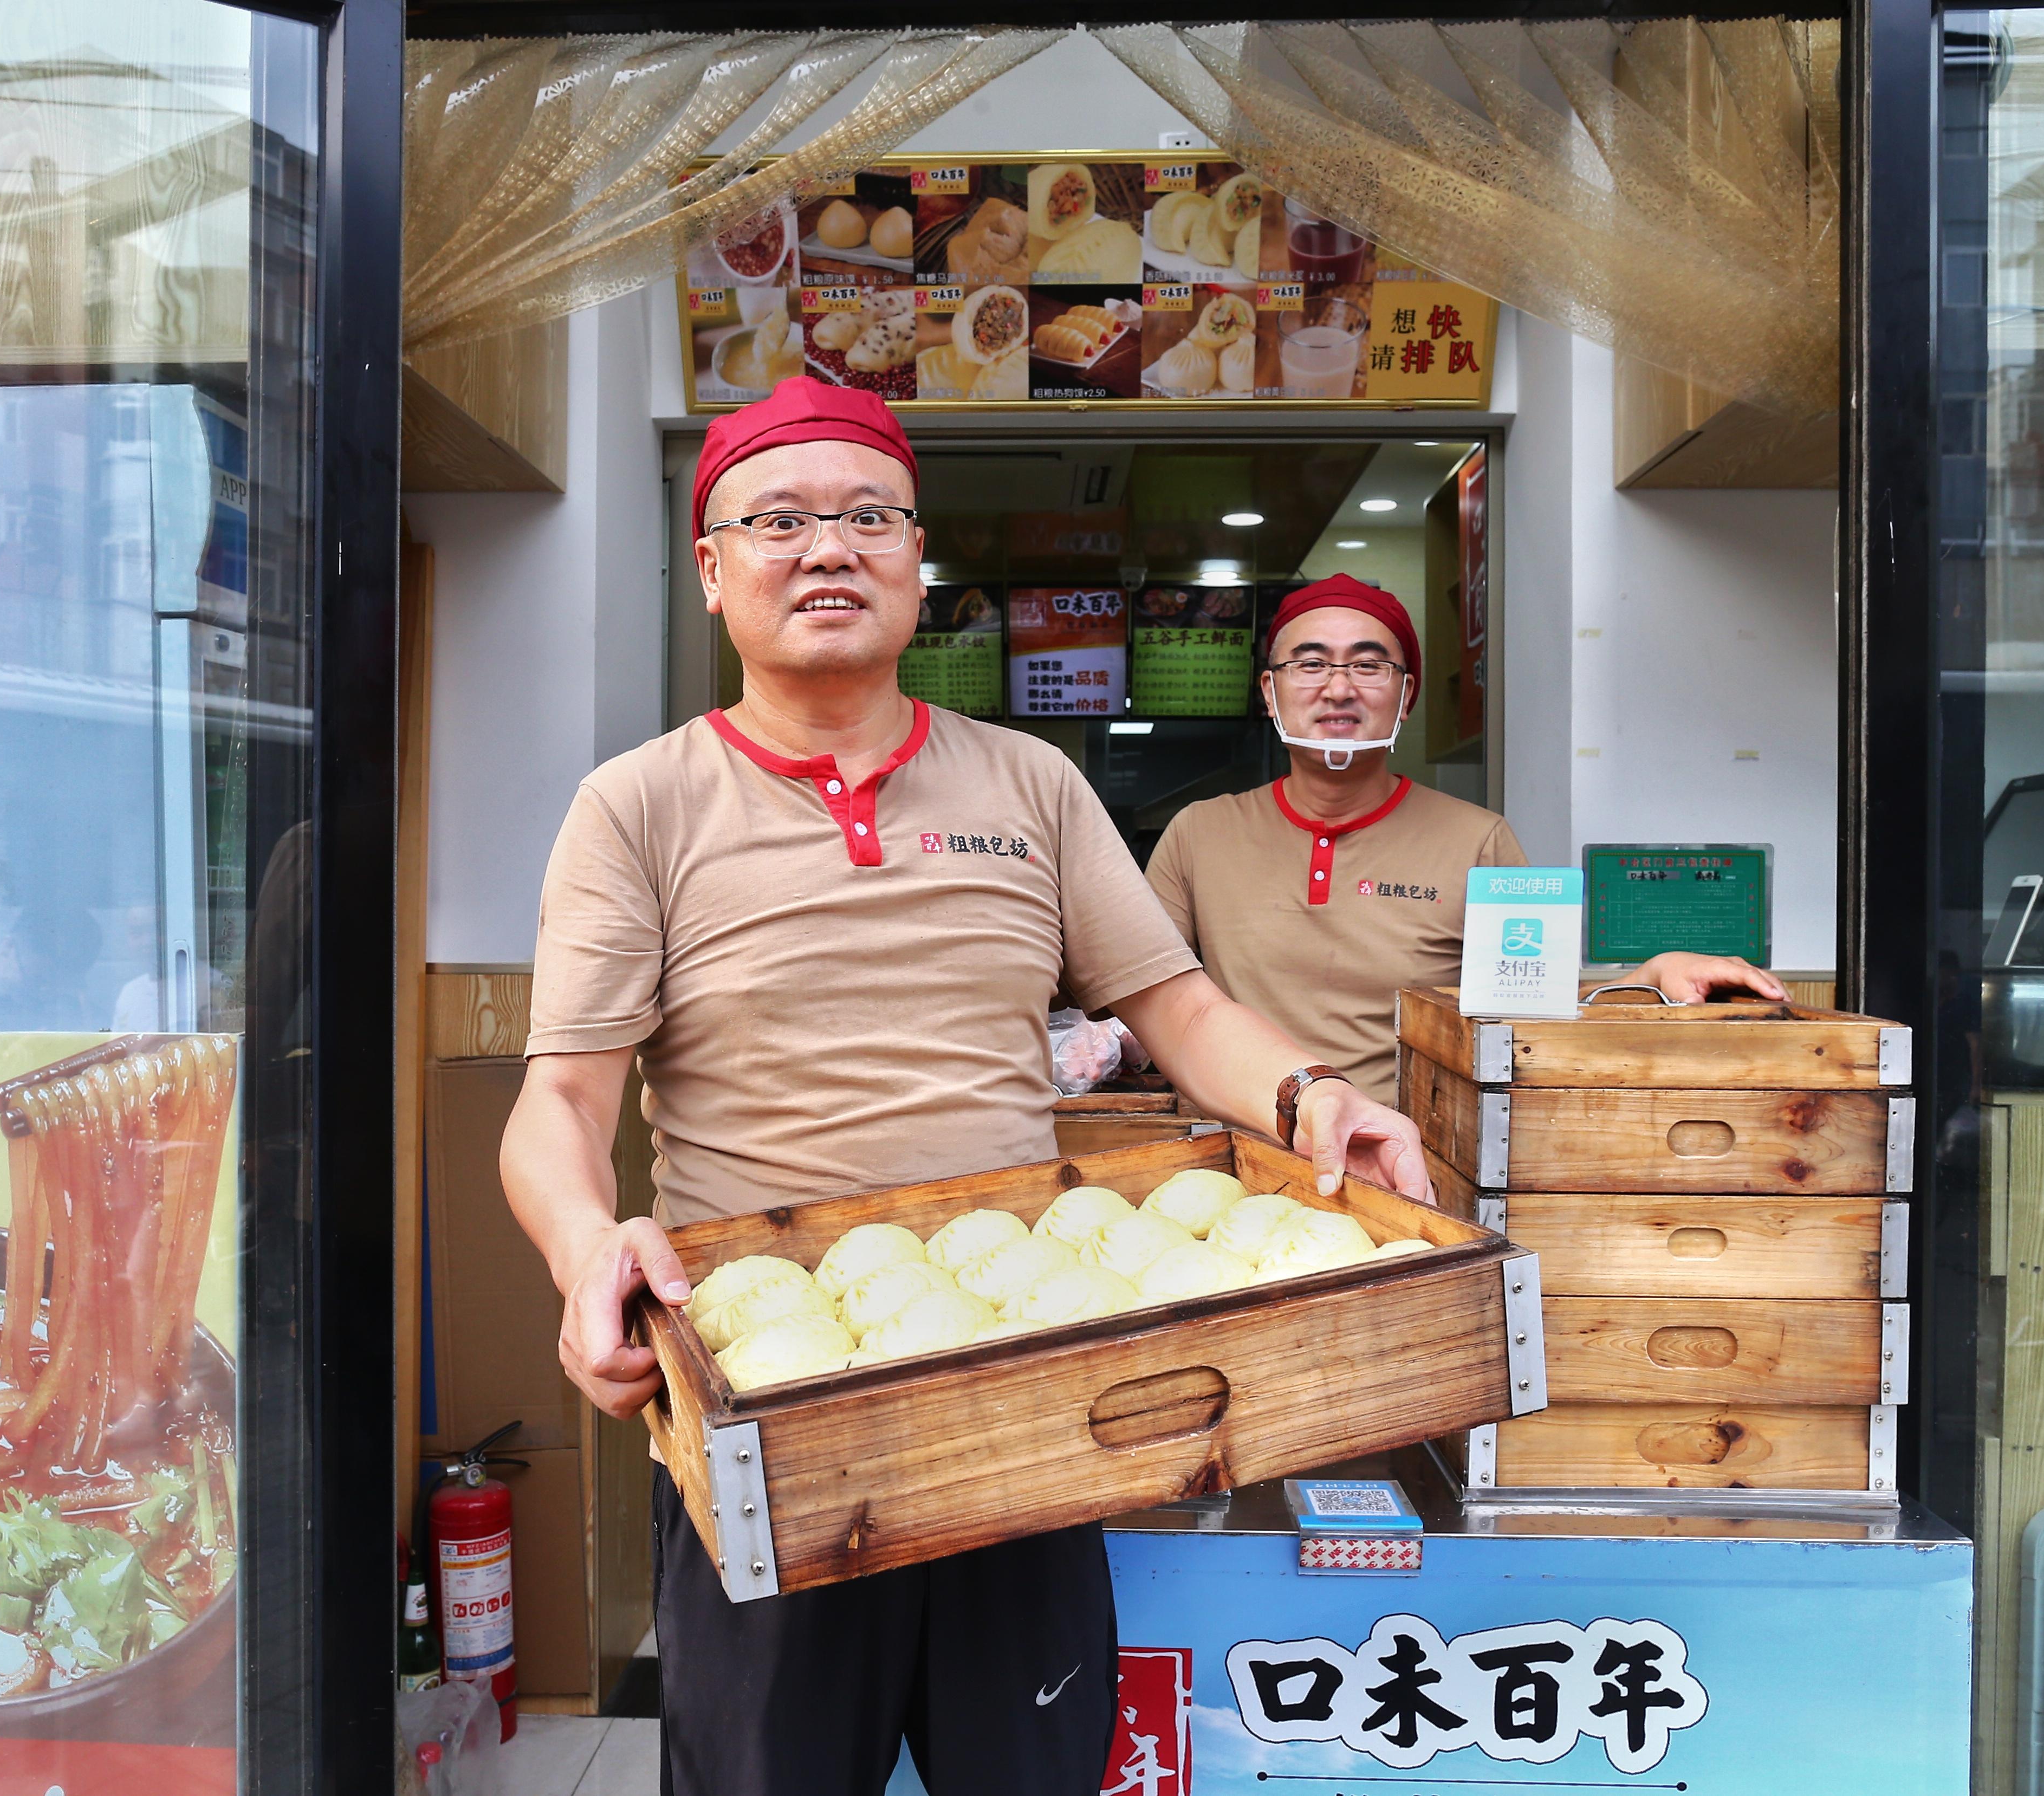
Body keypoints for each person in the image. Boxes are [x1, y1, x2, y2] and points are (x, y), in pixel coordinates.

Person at [497, 378, 1433, 1796]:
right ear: (709, 569)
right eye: (779, 519)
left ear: (914, 559)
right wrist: (584, 1253)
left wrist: (1312, 1100)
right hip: (771, 1394)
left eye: (867, 515)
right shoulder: (640, 803)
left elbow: (1172, 1002)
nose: (828, 547)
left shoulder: (1029, 780)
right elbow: (559, 1101)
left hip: (1024, 1392)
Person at [1147, 573, 1782, 1103]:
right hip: (1234, 1154)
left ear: (1405, 695)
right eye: (1310, 664)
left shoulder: (1478, 841)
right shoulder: (1199, 834)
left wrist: (1652, 974)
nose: (1338, 688)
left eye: (1368, 666)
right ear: (1270, 691)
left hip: (1411, 1161)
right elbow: (1144, 997)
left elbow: (1538, 1009)